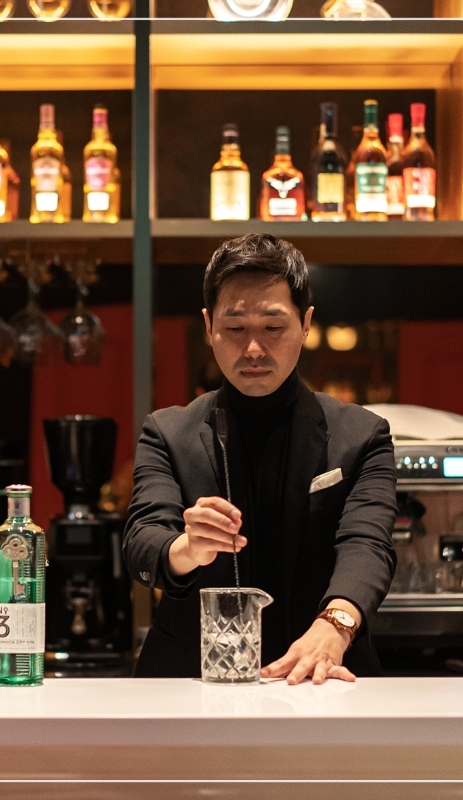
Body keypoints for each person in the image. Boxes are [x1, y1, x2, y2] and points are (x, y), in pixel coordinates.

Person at [123, 234, 396, 685]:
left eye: (272, 328)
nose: (253, 349)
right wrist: (187, 548)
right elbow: (142, 541)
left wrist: (336, 624)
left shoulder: (361, 435)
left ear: (305, 323)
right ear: (209, 325)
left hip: (321, 676)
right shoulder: (167, 432)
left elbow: (367, 544)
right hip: (190, 681)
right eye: (235, 329)